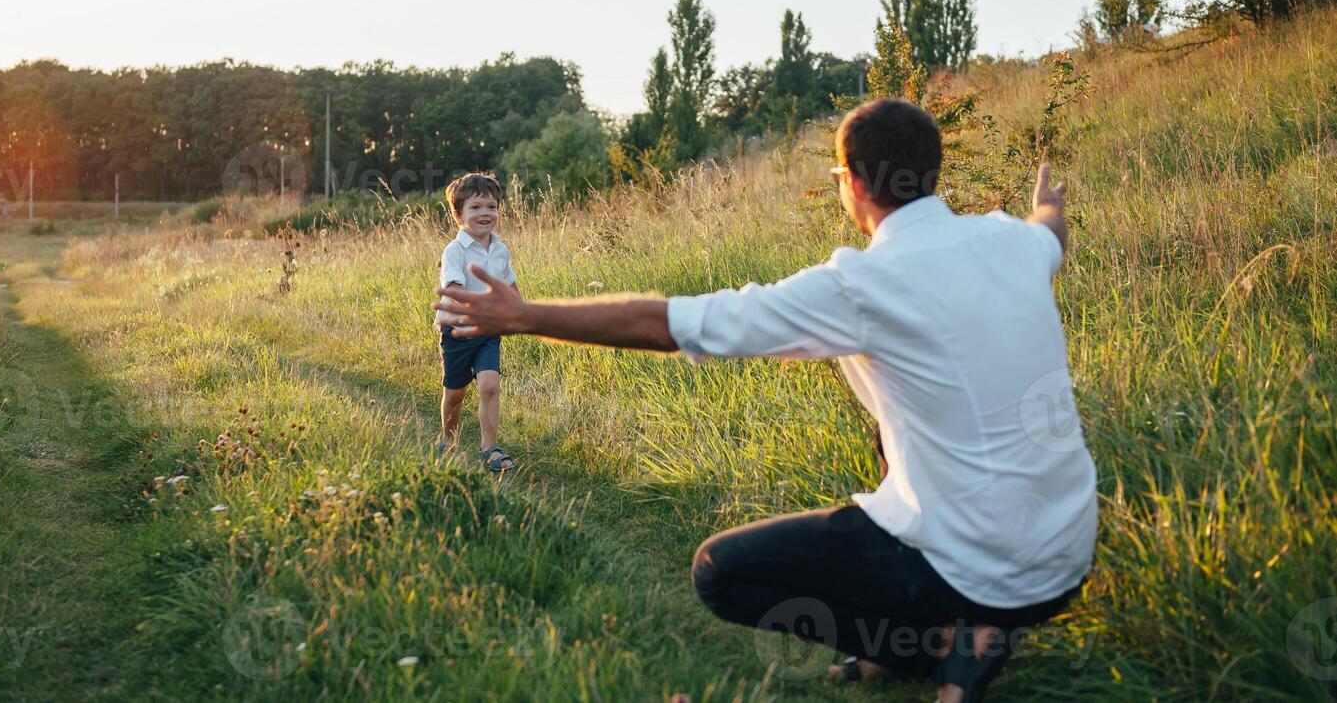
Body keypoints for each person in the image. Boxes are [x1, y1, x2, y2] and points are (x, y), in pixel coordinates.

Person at [434, 99, 1098, 702]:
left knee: (719, 571)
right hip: (1067, 551)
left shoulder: (861, 283)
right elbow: (1051, 235)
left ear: (852, 183)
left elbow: (664, 324)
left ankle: (939, 645)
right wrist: (1046, 206)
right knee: (887, 425)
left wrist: (523, 315)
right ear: (931, 172)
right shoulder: (1012, 238)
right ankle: (921, 645)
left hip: (982, 564)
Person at [433, 172, 520, 472]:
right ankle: (448, 439)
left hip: (487, 330)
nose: (485, 213)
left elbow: (509, 286)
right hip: (456, 330)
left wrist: (519, 311)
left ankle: (489, 448)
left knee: (490, 385)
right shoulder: (454, 251)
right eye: (476, 207)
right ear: (458, 215)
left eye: (491, 206)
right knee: (455, 393)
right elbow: (454, 290)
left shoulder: (501, 249)